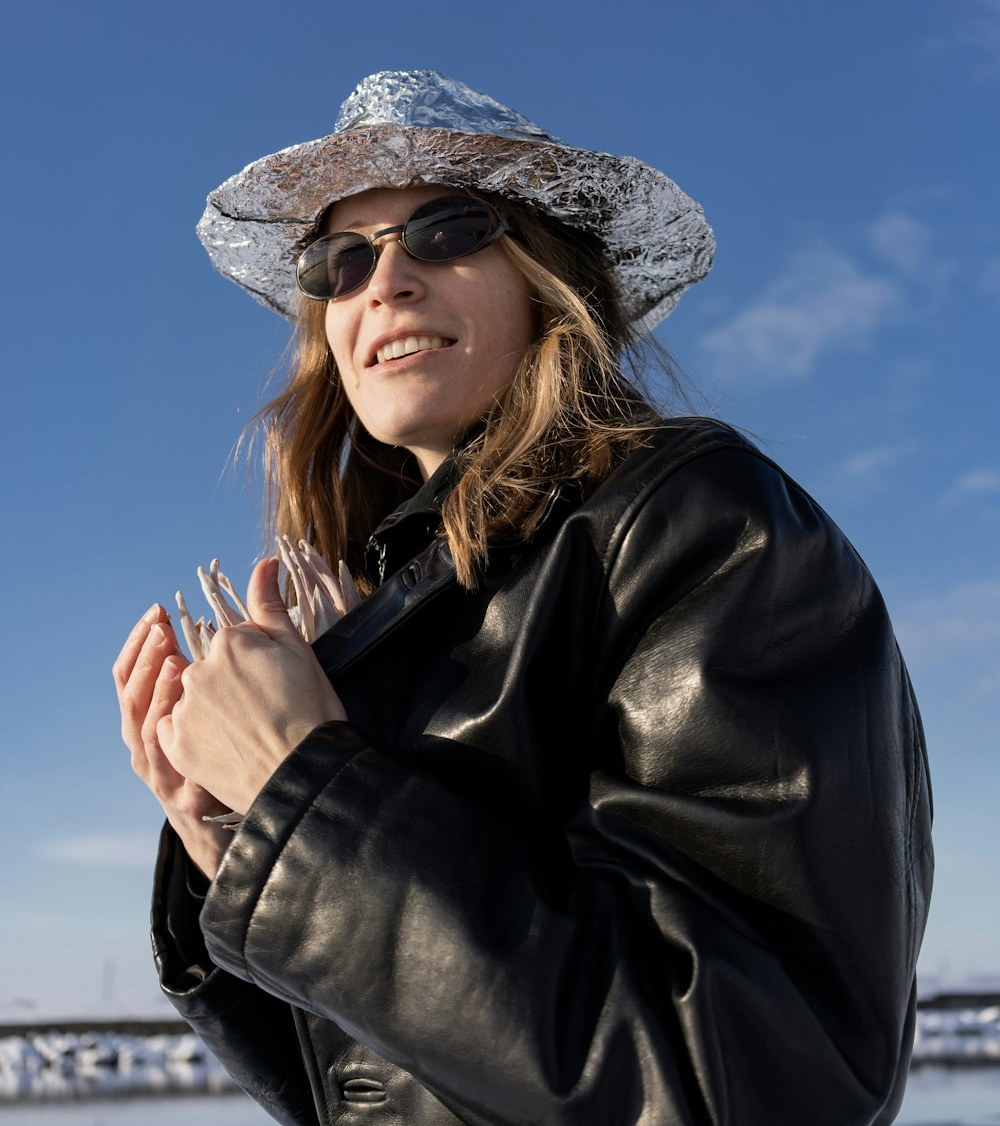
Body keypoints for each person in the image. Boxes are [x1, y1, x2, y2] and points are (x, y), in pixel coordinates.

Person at [114, 69, 933, 1126]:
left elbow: (756, 1083)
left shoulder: (697, 523)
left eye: (449, 230)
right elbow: (399, 1090)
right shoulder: (382, 621)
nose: (386, 281)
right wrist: (234, 845)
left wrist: (303, 790)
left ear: (552, 277)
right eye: (341, 260)